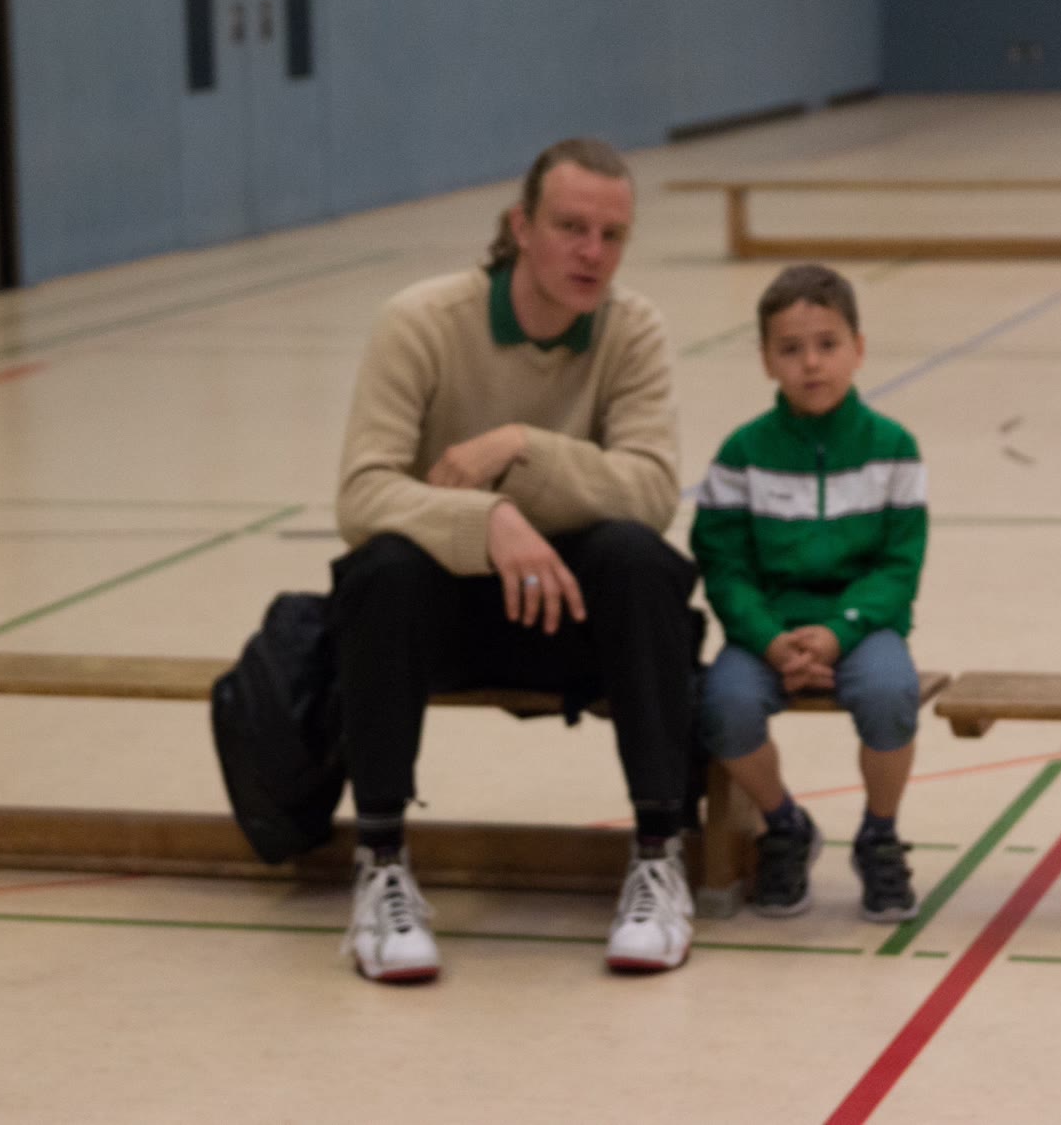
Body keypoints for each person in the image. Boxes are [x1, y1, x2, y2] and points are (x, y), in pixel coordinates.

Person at [330, 136, 699, 983]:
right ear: (520, 227)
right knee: (381, 573)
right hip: (444, 618)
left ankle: (659, 857)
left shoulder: (632, 329)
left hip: (570, 614)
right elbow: (361, 494)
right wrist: (489, 517)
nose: (592, 252)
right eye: (570, 227)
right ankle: (380, 866)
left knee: (639, 558)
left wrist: (521, 447)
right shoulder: (421, 321)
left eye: (612, 235)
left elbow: (651, 490)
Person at [689, 264, 928, 922]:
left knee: (891, 692)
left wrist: (841, 630)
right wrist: (768, 639)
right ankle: (785, 824)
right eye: (790, 349)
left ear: (859, 348)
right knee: (725, 704)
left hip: (863, 628)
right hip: (765, 631)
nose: (811, 363)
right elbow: (724, 566)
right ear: (767, 359)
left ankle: (879, 835)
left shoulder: (895, 448)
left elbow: (899, 567)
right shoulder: (741, 453)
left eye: (827, 344)